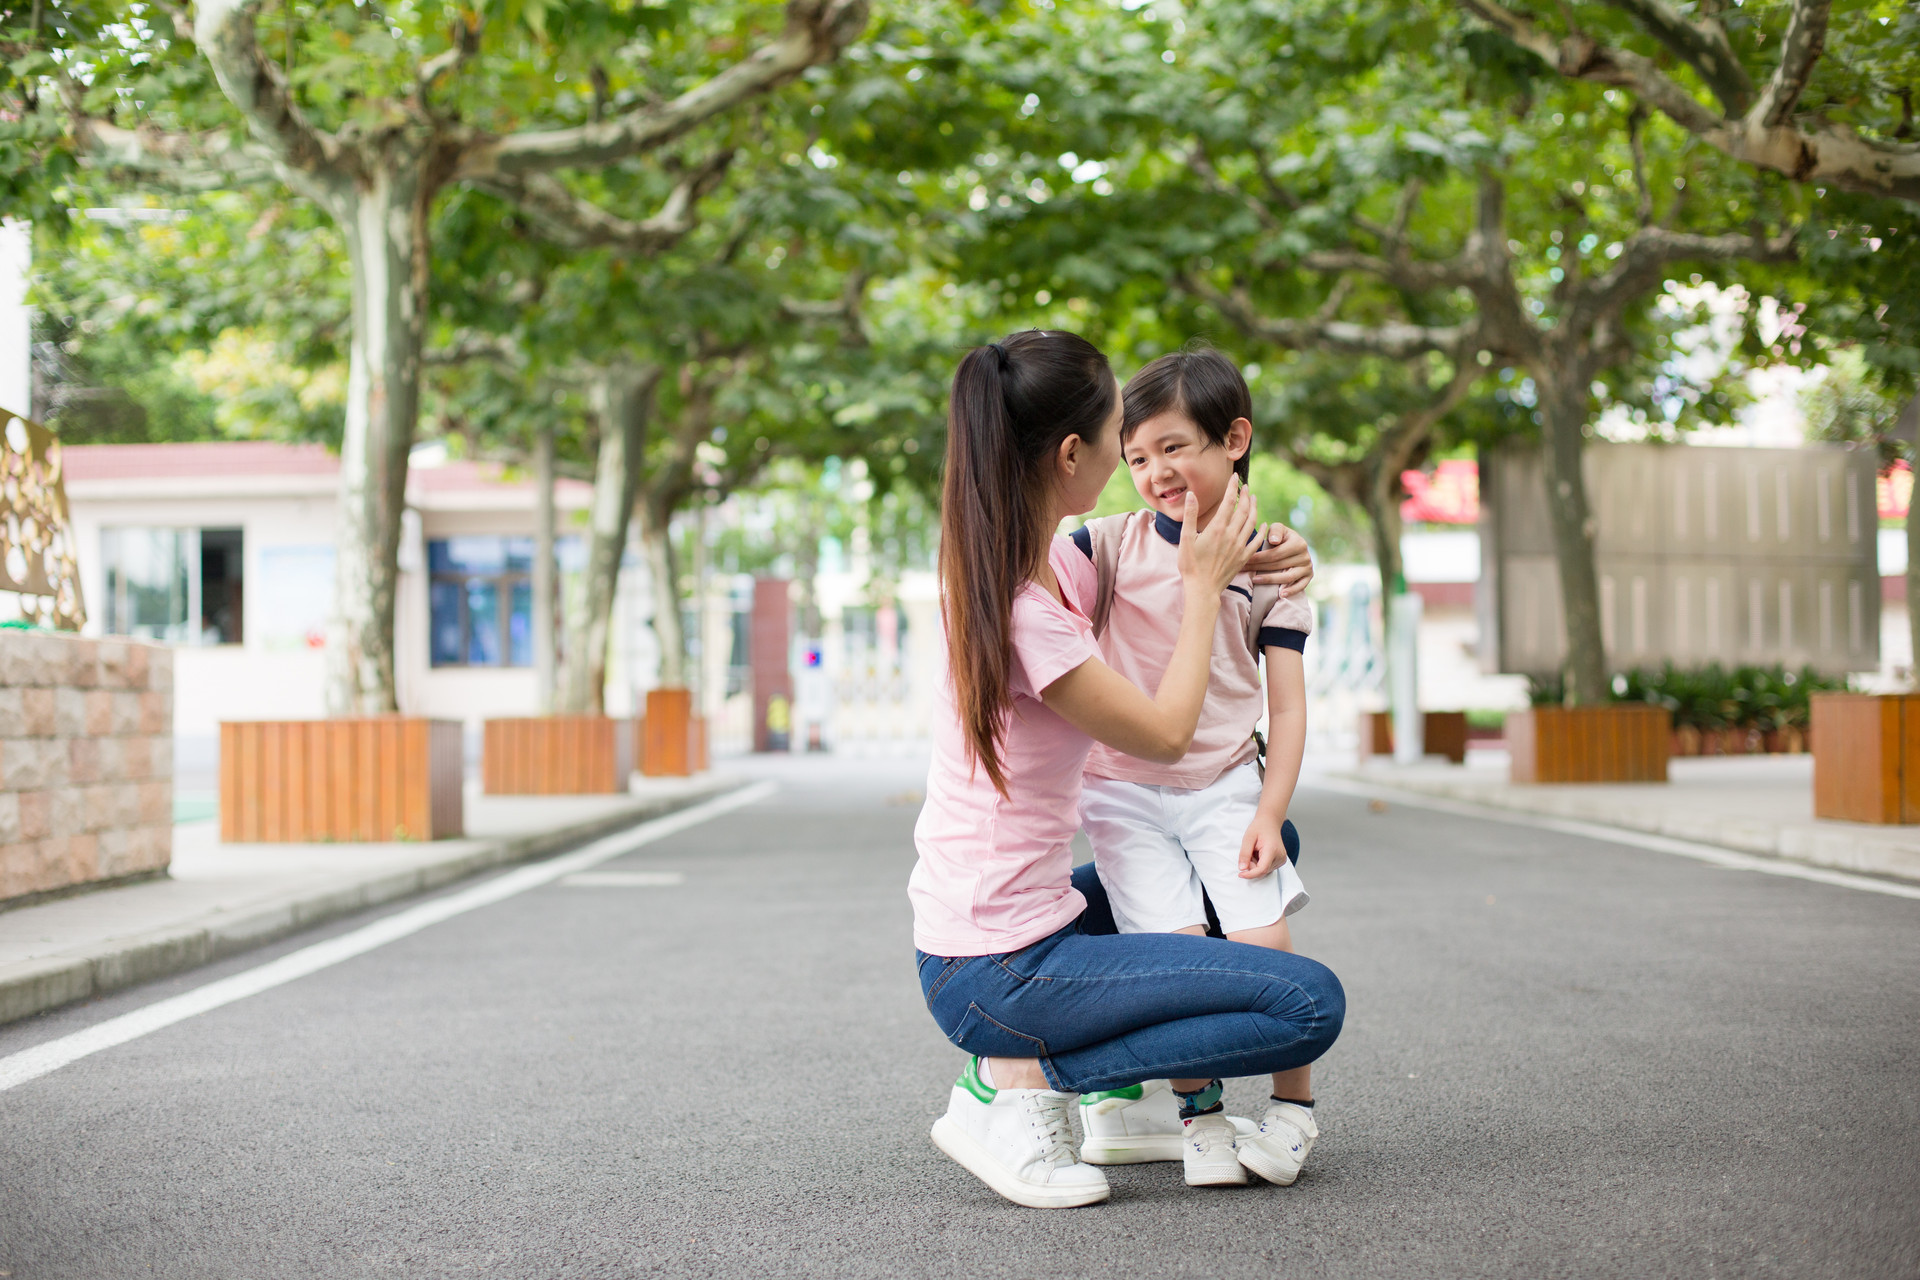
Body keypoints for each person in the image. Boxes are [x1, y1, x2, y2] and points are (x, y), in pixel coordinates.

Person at [910, 329, 1344, 1209]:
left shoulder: (1033, 569)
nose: (1133, 456)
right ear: (1074, 454)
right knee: (1306, 1006)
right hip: (999, 969)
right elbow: (1165, 736)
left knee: (1267, 839)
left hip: (1022, 927)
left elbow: (1175, 564)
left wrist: (1279, 556)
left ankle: (1113, 1101)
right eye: (1120, 435)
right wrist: (1202, 584)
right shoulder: (1038, 607)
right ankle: (1011, 1082)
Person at [1067, 346, 1320, 1190]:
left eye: (1174, 446)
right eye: (1136, 456)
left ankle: (1293, 1113)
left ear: (1234, 439)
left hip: (1223, 785)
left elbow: (1286, 706)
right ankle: (1200, 1118)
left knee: (1263, 943)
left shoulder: (1272, 563)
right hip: (1122, 793)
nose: (1154, 471)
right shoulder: (1101, 548)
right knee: (1172, 962)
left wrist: (1267, 809)